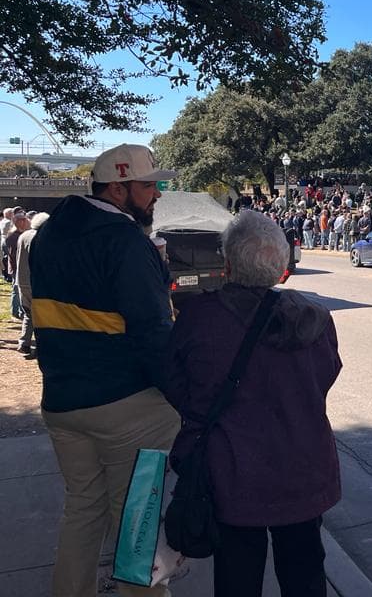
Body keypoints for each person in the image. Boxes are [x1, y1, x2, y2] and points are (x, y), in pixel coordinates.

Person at [29, 144, 180, 597]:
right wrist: (182, 393)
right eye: (148, 185)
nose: (157, 194)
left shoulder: (48, 235)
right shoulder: (125, 240)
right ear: (118, 187)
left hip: (62, 400)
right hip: (129, 406)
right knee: (137, 520)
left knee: (82, 511)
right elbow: (155, 331)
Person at [166, 211, 341, 596]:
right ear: (281, 267)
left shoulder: (200, 317)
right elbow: (327, 376)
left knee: (237, 577)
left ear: (227, 265)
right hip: (304, 469)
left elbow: (178, 387)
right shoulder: (315, 318)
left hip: (233, 473)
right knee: (306, 572)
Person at [14, 212, 48, 358]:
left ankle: (24, 343)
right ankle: (39, 348)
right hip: (36, 282)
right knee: (42, 316)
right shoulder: (42, 237)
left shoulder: (24, 236)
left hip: (22, 281)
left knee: (29, 313)